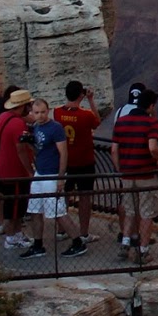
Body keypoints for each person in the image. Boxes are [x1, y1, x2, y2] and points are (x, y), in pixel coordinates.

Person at [21, 97, 85, 259]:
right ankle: (37, 245)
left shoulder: (55, 128)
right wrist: (29, 143)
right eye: (37, 113)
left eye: (43, 112)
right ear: (32, 113)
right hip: (40, 172)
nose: (40, 115)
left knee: (57, 211)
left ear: (48, 111)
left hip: (52, 173)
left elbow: (63, 153)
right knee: (35, 210)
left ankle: (77, 241)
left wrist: (61, 177)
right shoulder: (36, 127)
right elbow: (39, 151)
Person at [112, 88, 158, 262]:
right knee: (147, 213)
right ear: (150, 106)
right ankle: (143, 251)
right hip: (145, 175)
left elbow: (114, 150)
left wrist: (120, 169)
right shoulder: (151, 122)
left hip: (126, 175)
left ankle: (125, 244)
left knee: (130, 211)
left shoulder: (121, 122)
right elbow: (153, 148)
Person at [53, 81, 100, 244]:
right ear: (81, 95)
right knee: (85, 198)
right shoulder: (86, 115)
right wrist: (91, 100)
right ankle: (84, 233)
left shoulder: (57, 113)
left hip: (64, 162)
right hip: (85, 162)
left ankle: (61, 230)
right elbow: (97, 122)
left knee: (64, 196)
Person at [0, 87, 34, 249]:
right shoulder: (18, 123)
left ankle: (16, 235)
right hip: (15, 171)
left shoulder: (2, 117)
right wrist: (29, 170)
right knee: (15, 207)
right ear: (23, 106)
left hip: (3, 168)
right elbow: (21, 149)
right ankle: (11, 237)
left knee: (14, 206)